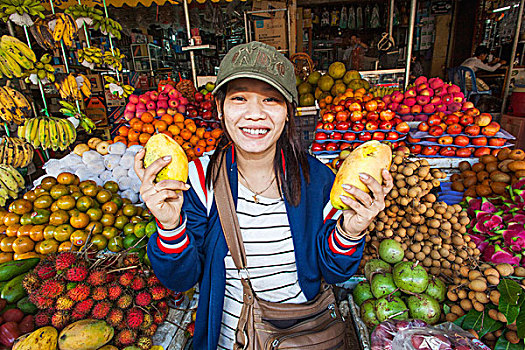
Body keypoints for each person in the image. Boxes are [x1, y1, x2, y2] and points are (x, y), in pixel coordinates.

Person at [135, 41, 392, 349]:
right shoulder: (196, 179)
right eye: (239, 98)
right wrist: (169, 224)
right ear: (220, 108)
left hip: (304, 337)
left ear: (288, 113)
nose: (254, 114)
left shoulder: (317, 180)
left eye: (271, 100)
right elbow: (180, 279)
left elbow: (335, 273)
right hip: (230, 341)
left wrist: (351, 230)